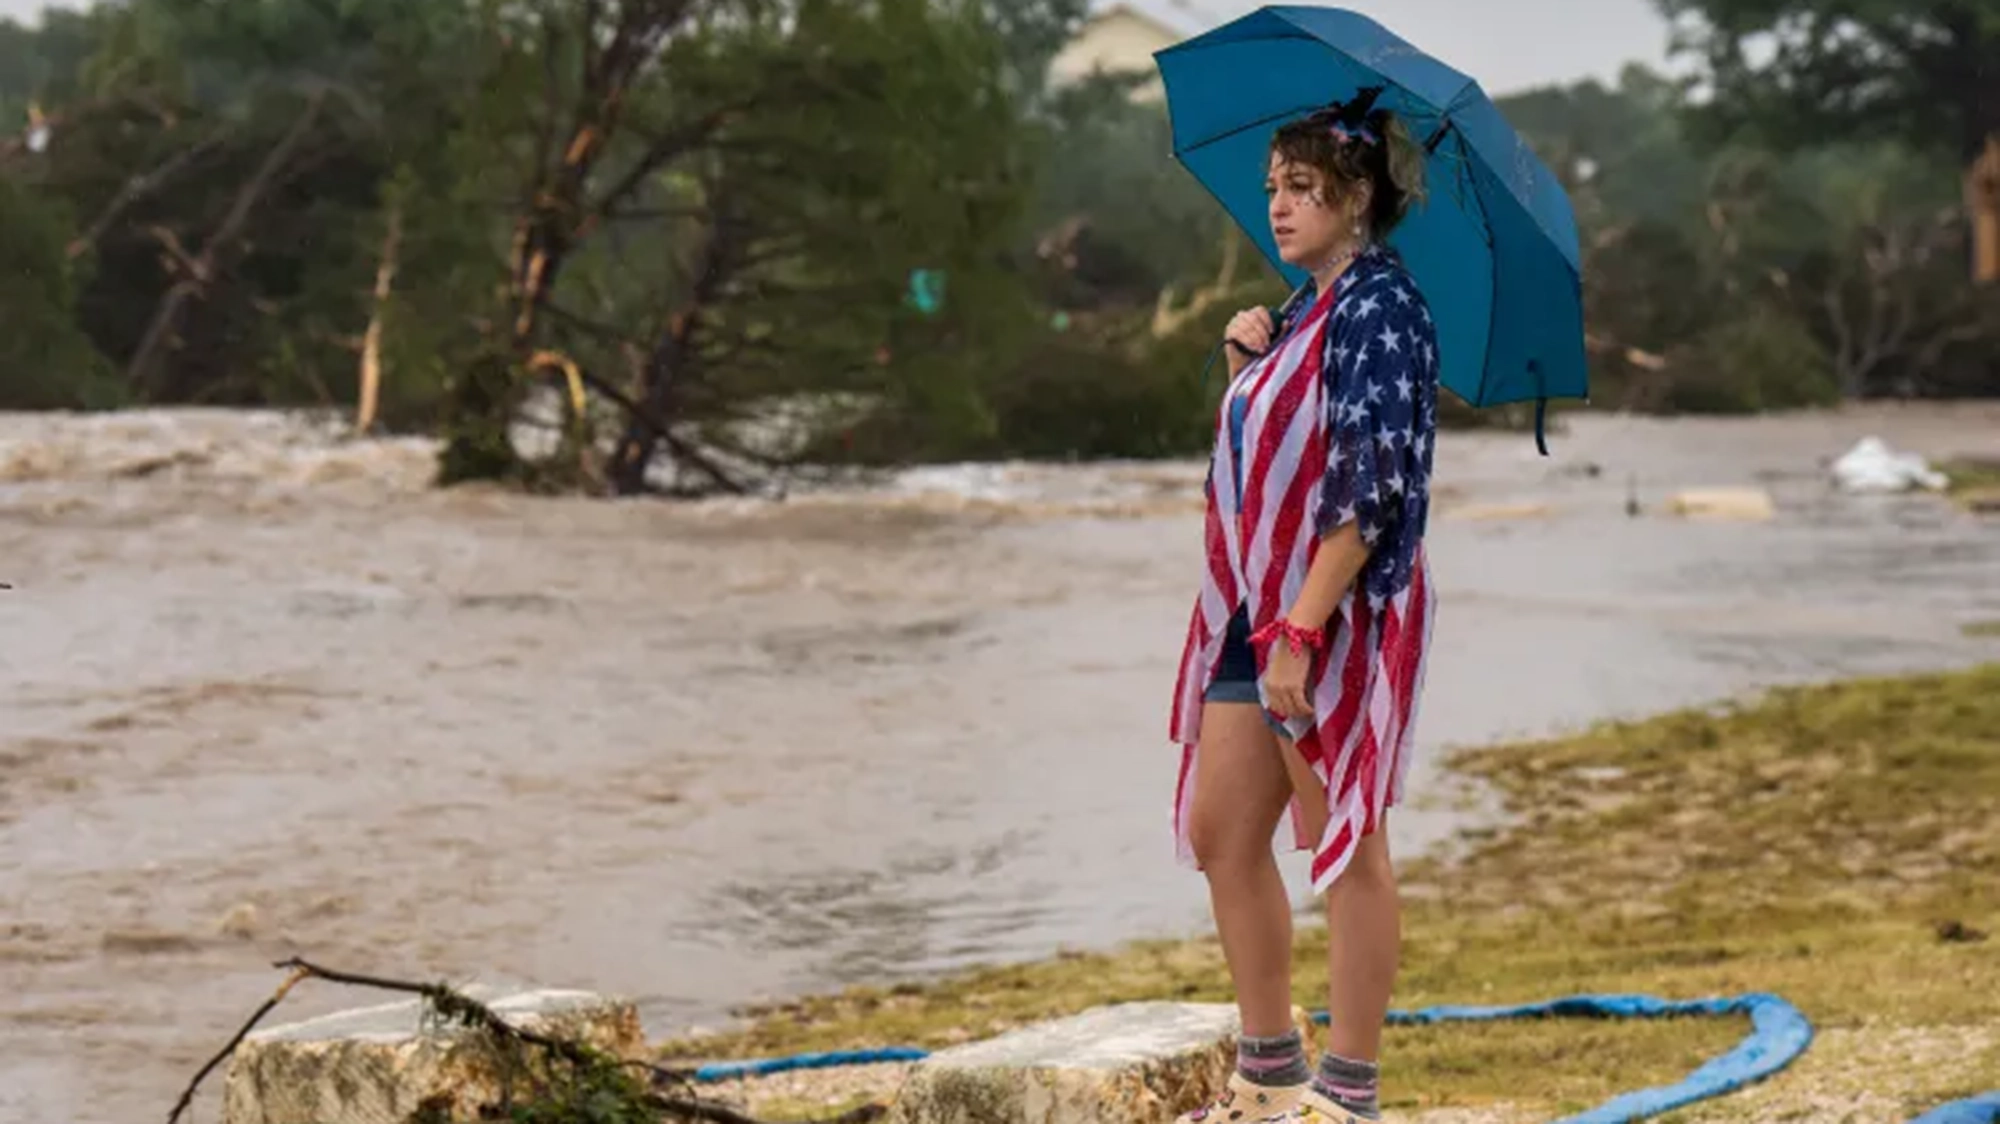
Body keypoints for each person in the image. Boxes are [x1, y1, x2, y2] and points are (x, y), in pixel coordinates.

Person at [1168, 91, 1438, 1124]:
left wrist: (1303, 626)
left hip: (1329, 610)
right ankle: (1269, 1072)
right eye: (1272, 186)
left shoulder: (1382, 307)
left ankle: (1350, 1094)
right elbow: (1255, 469)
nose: (1276, 206)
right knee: (1220, 834)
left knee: (1342, 840)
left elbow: (1368, 484)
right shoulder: (1298, 313)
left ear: (1358, 194)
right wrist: (1244, 370)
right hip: (1258, 604)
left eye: (1302, 188)